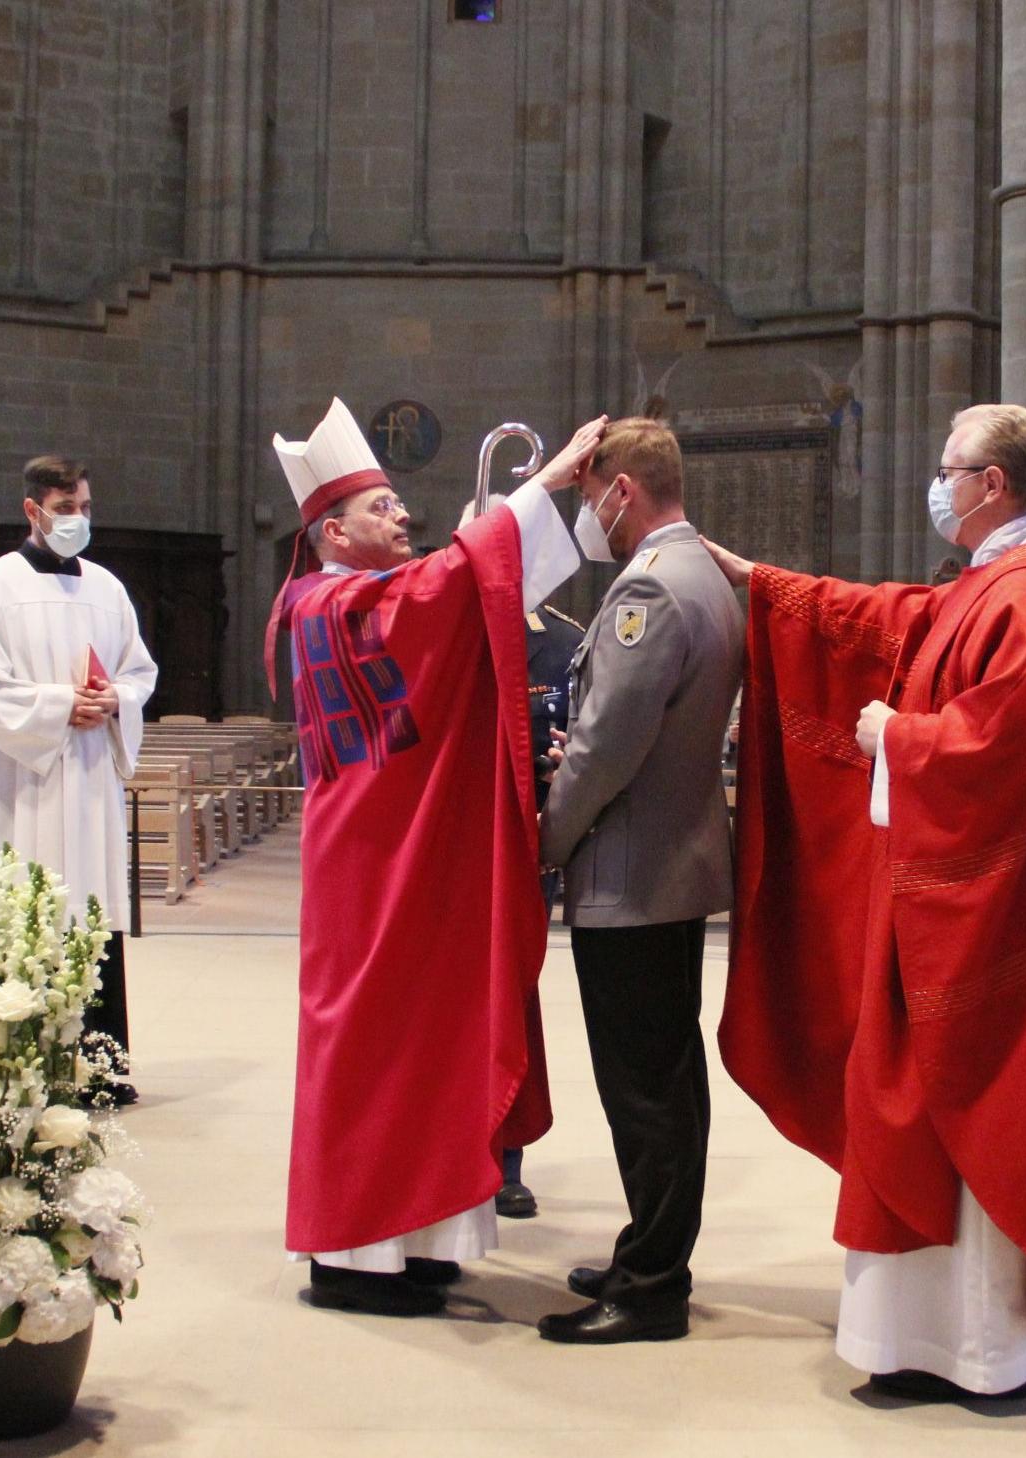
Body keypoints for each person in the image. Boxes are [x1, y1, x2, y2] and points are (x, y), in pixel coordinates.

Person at [703, 403, 1026, 1402]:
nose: (937, 484)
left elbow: (1002, 746)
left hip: (988, 929)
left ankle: (977, 1350)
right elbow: (895, 618)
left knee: (962, 1109)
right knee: (905, 1105)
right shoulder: (990, 585)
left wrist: (895, 737)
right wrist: (764, 583)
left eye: (950, 468)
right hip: (945, 905)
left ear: (995, 484)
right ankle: (918, 1341)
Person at [270, 398, 604, 1319]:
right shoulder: (331, 601)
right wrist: (539, 486)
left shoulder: (348, 594)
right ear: (331, 531)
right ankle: (349, 1256)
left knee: (421, 1039)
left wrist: (487, 542)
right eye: (380, 507)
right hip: (369, 866)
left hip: (398, 857)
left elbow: (454, 604)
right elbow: (444, 596)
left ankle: (412, 1240)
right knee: (371, 1043)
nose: (402, 516)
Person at [533, 418, 744, 1344]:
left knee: (645, 1088)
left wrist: (547, 836)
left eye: (589, 496)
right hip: (671, 862)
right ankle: (647, 1251)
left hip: (629, 873)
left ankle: (651, 1286)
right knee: (665, 1077)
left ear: (624, 488)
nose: (590, 515)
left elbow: (607, 748)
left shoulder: (649, 588)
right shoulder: (701, 572)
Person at [0, 455, 161, 1104]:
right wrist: (60, 705)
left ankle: (96, 1067)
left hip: (88, 782)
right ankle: (12, 1070)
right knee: (21, 906)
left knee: (87, 910)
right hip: (17, 787)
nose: (78, 520)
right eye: (66, 510)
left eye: (86, 508)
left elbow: (138, 670)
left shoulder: (106, 588)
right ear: (32, 511)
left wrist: (115, 699)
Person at [501, 573, 586, 1223]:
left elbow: (588, 738)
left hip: (526, 849)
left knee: (513, 999)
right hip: (448, 844)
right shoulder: (432, 632)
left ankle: (505, 1160)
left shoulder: (563, 644)